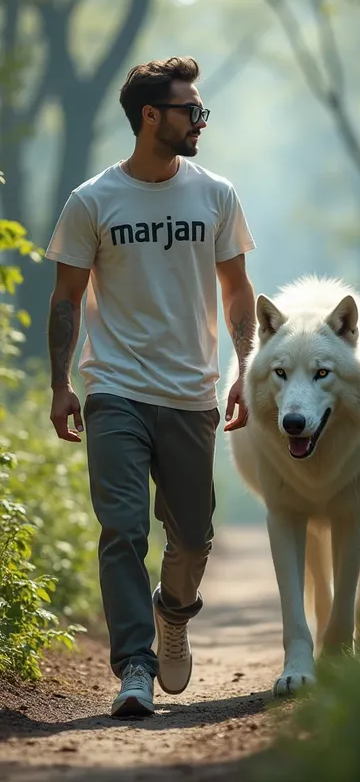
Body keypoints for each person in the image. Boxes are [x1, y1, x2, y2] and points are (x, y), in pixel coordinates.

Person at [45, 56, 256, 718]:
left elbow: (238, 291)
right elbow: (66, 300)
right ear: (150, 117)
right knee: (122, 529)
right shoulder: (92, 201)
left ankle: (173, 613)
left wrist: (246, 366)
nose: (199, 119)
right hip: (114, 389)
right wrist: (61, 384)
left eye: (199, 109)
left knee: (192, 537)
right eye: (190, 110)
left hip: (192, 393)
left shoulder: (215, 194)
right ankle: (134, 663)